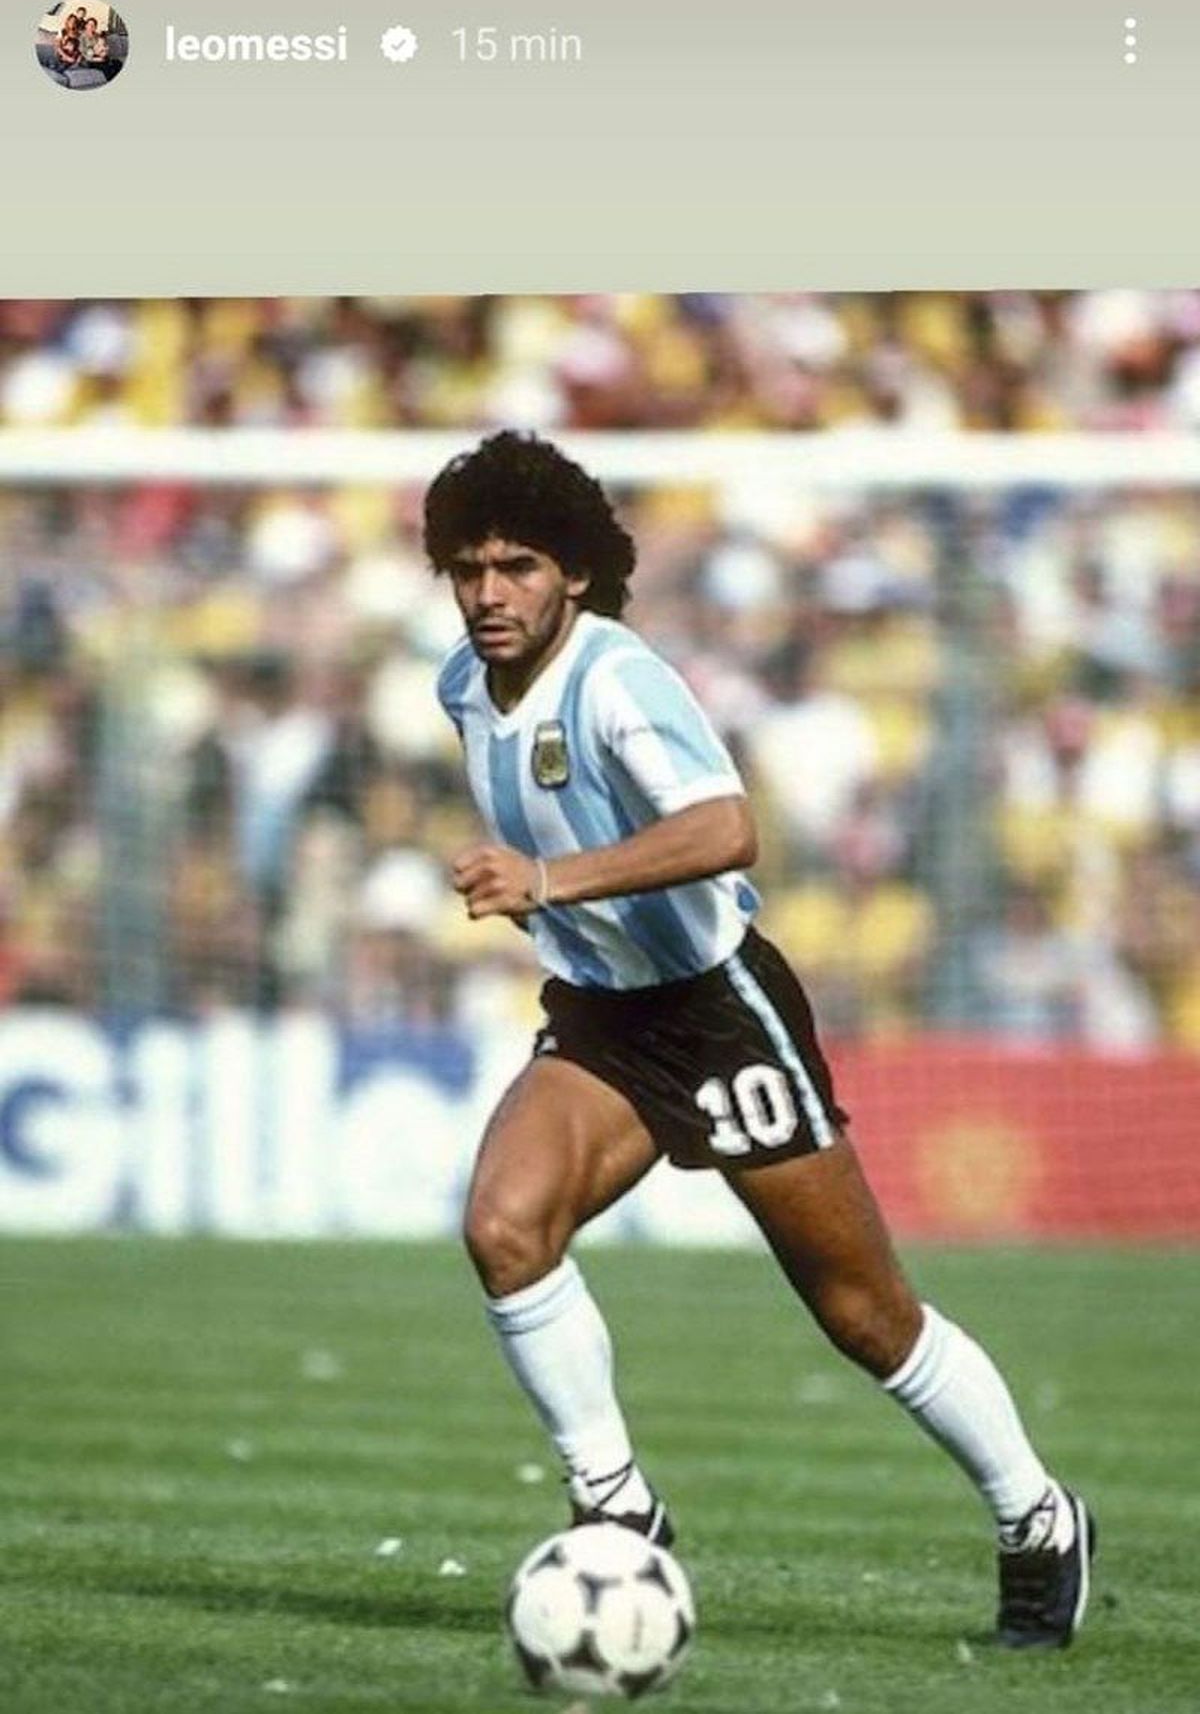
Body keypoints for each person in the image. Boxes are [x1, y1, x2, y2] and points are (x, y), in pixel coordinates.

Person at [423, 429, 1095, 1650]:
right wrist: (550, 903)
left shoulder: (618, 680)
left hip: (716, 1008)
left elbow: (728, 829)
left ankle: (1037, 1516)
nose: (487, 593)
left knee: (864, 1314)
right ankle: (616, 1505)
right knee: (504, 1227)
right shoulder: (463, 685)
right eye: (467, 569)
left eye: (516, 566)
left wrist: (548, 880)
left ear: (575, 573)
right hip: (603, 1014)